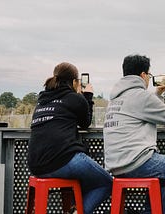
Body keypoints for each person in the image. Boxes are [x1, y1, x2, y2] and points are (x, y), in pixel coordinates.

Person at [103, 54, 165, 214]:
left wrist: (157, 95)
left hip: (116, 165)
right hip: (136, 163)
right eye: (148, 75)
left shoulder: (115, 98)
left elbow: (138, 110)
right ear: (143, 75)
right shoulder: (141, 96)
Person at [28, 62, 112, 214]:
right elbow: (85, 122)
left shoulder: (41, 100)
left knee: (81, 180)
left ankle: (74, 207)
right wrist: (87, 96)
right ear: (74, 82)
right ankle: (77, 211)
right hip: (63, 160)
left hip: (36, 166)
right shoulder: (74, 98)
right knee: (106, 183)